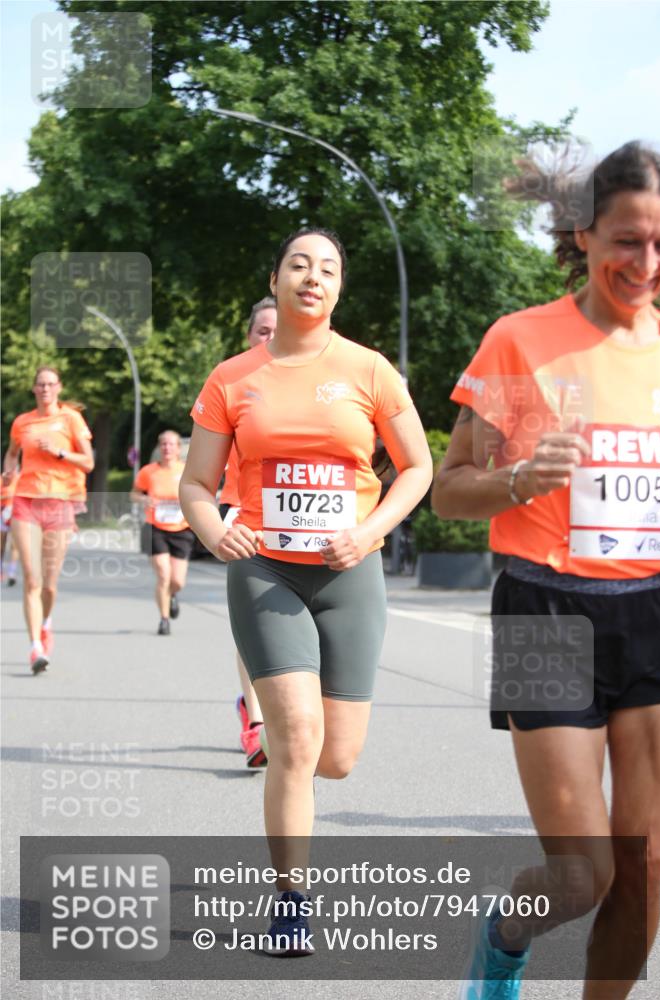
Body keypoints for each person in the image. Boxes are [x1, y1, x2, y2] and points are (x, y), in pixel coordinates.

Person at [432, 142, 660, 999]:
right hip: (544, 610)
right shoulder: (520, 341)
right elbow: (448, 494)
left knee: (645, 873)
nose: (646, 265)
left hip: (656, 609)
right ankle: (502, 939)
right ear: (585, 232)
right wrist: (517, 479)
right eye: (627, 242)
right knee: (584, 877)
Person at [180, 228, 432, 953]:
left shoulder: (369, 370)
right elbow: (196, 483)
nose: (312, 277)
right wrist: (210, 528)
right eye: (299, 264)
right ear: (277, 278)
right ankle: (292, 902)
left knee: (336, 755)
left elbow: (415, 468)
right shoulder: (233, 377)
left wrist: (371, 528)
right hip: (266, 568)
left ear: (338, 288)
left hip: (351, 569)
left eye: (327, 268)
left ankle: (297, 798)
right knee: (294, 738)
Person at [3, 365, 94, 673]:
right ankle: (35, 648)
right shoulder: (22, 422)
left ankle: (45, 622)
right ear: (34, 389)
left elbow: (89, 462)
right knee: (31, 579)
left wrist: (58, 452)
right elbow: (12, 452)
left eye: (50, 384)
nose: (44, 389)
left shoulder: (71, 419)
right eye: (40, 384)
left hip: (60, 502)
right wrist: (9, 471)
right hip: (26, 500)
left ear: (59, 388)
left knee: (49, 585)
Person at [219, 296, 277, 767]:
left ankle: (278, 711)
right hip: (242, 510)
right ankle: (256, 721)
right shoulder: (232, 378)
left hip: (304, 524)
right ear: (248, 335)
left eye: (278, 328)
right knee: (252, 622)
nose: (271, 338)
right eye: (262, 330)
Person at [130, 430, 195, 636]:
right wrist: (144, 500)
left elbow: (196, 494)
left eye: (171, 444)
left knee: (177, 581)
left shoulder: (186, 471)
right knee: (163, 575)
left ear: (178, 448)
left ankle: (173, 595)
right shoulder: (148, 471)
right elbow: (134, 494)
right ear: (160, 448)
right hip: (155, 527)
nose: (167, 448)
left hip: (181, 528)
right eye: (164, 444)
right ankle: (164, 619)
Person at [1, 471, 18, 585]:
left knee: (14, 546)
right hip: (2, 513)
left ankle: (12, 573)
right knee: (1, 545)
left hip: (16, 513)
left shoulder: (20, 479)